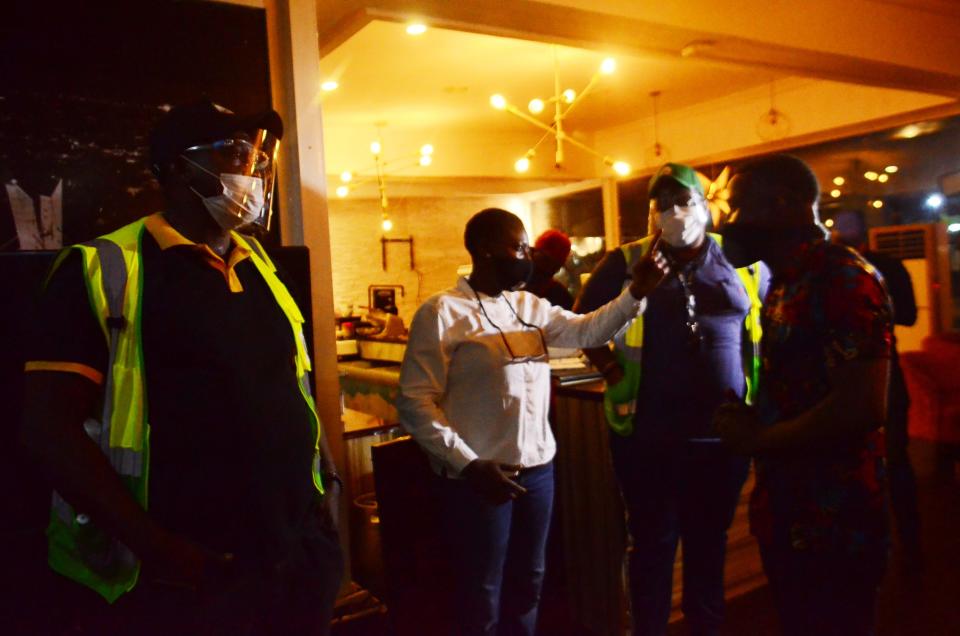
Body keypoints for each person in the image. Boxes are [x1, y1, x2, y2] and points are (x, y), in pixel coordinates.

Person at [19, 100, 344, 635]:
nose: (252, 173)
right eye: (235, 155)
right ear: (175, 167)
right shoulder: (102, 268)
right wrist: (162, 550)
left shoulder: (263, 265)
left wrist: (326, 490)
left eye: (259, 160)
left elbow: (295, 383)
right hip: (187, 578)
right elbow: (48, 431)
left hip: (296, 558)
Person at [397, 207, 667, 636]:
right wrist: (467, 463)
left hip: (538, 472)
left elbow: (586, 332)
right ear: (485, 249)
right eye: (518, 246)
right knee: (481, 590)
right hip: (480, 477)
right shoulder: (442, 313)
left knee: (529, 582)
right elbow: (414, 401)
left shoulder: (528, 305)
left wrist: (635, 293)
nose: (527, 255)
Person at [576, 162, 766, 636]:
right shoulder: (626, 262)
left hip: (722, 433)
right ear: (651, 213)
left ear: (706, 206)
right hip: (648, 432)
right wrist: (610, 367)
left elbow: (763, 321)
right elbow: (581, 324)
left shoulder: (739, 257)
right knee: (653, 544)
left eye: (684, 201)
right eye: (663, 204)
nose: (675, 212)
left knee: (709, 542)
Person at [714, 154, 891, 636]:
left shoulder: (843, 279)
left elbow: (862, 406)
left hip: (836, 518)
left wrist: (759, 439)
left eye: (736, 206)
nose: (728, 222)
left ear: (783, 204)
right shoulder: (784, 283)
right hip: (789, 508)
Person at [839, 231, 923, 572]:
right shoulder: (888, 264)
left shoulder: (838, 272)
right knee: (897, 460)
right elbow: (909, 316)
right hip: (888, 368)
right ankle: (911, 544)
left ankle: (868, 547)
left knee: (854, 464)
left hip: (850, 374)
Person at [525, 229, 575, 309]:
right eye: (545, 259)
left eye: (555, 265)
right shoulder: (515, 280)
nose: (547, 267)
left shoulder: (559, 294)